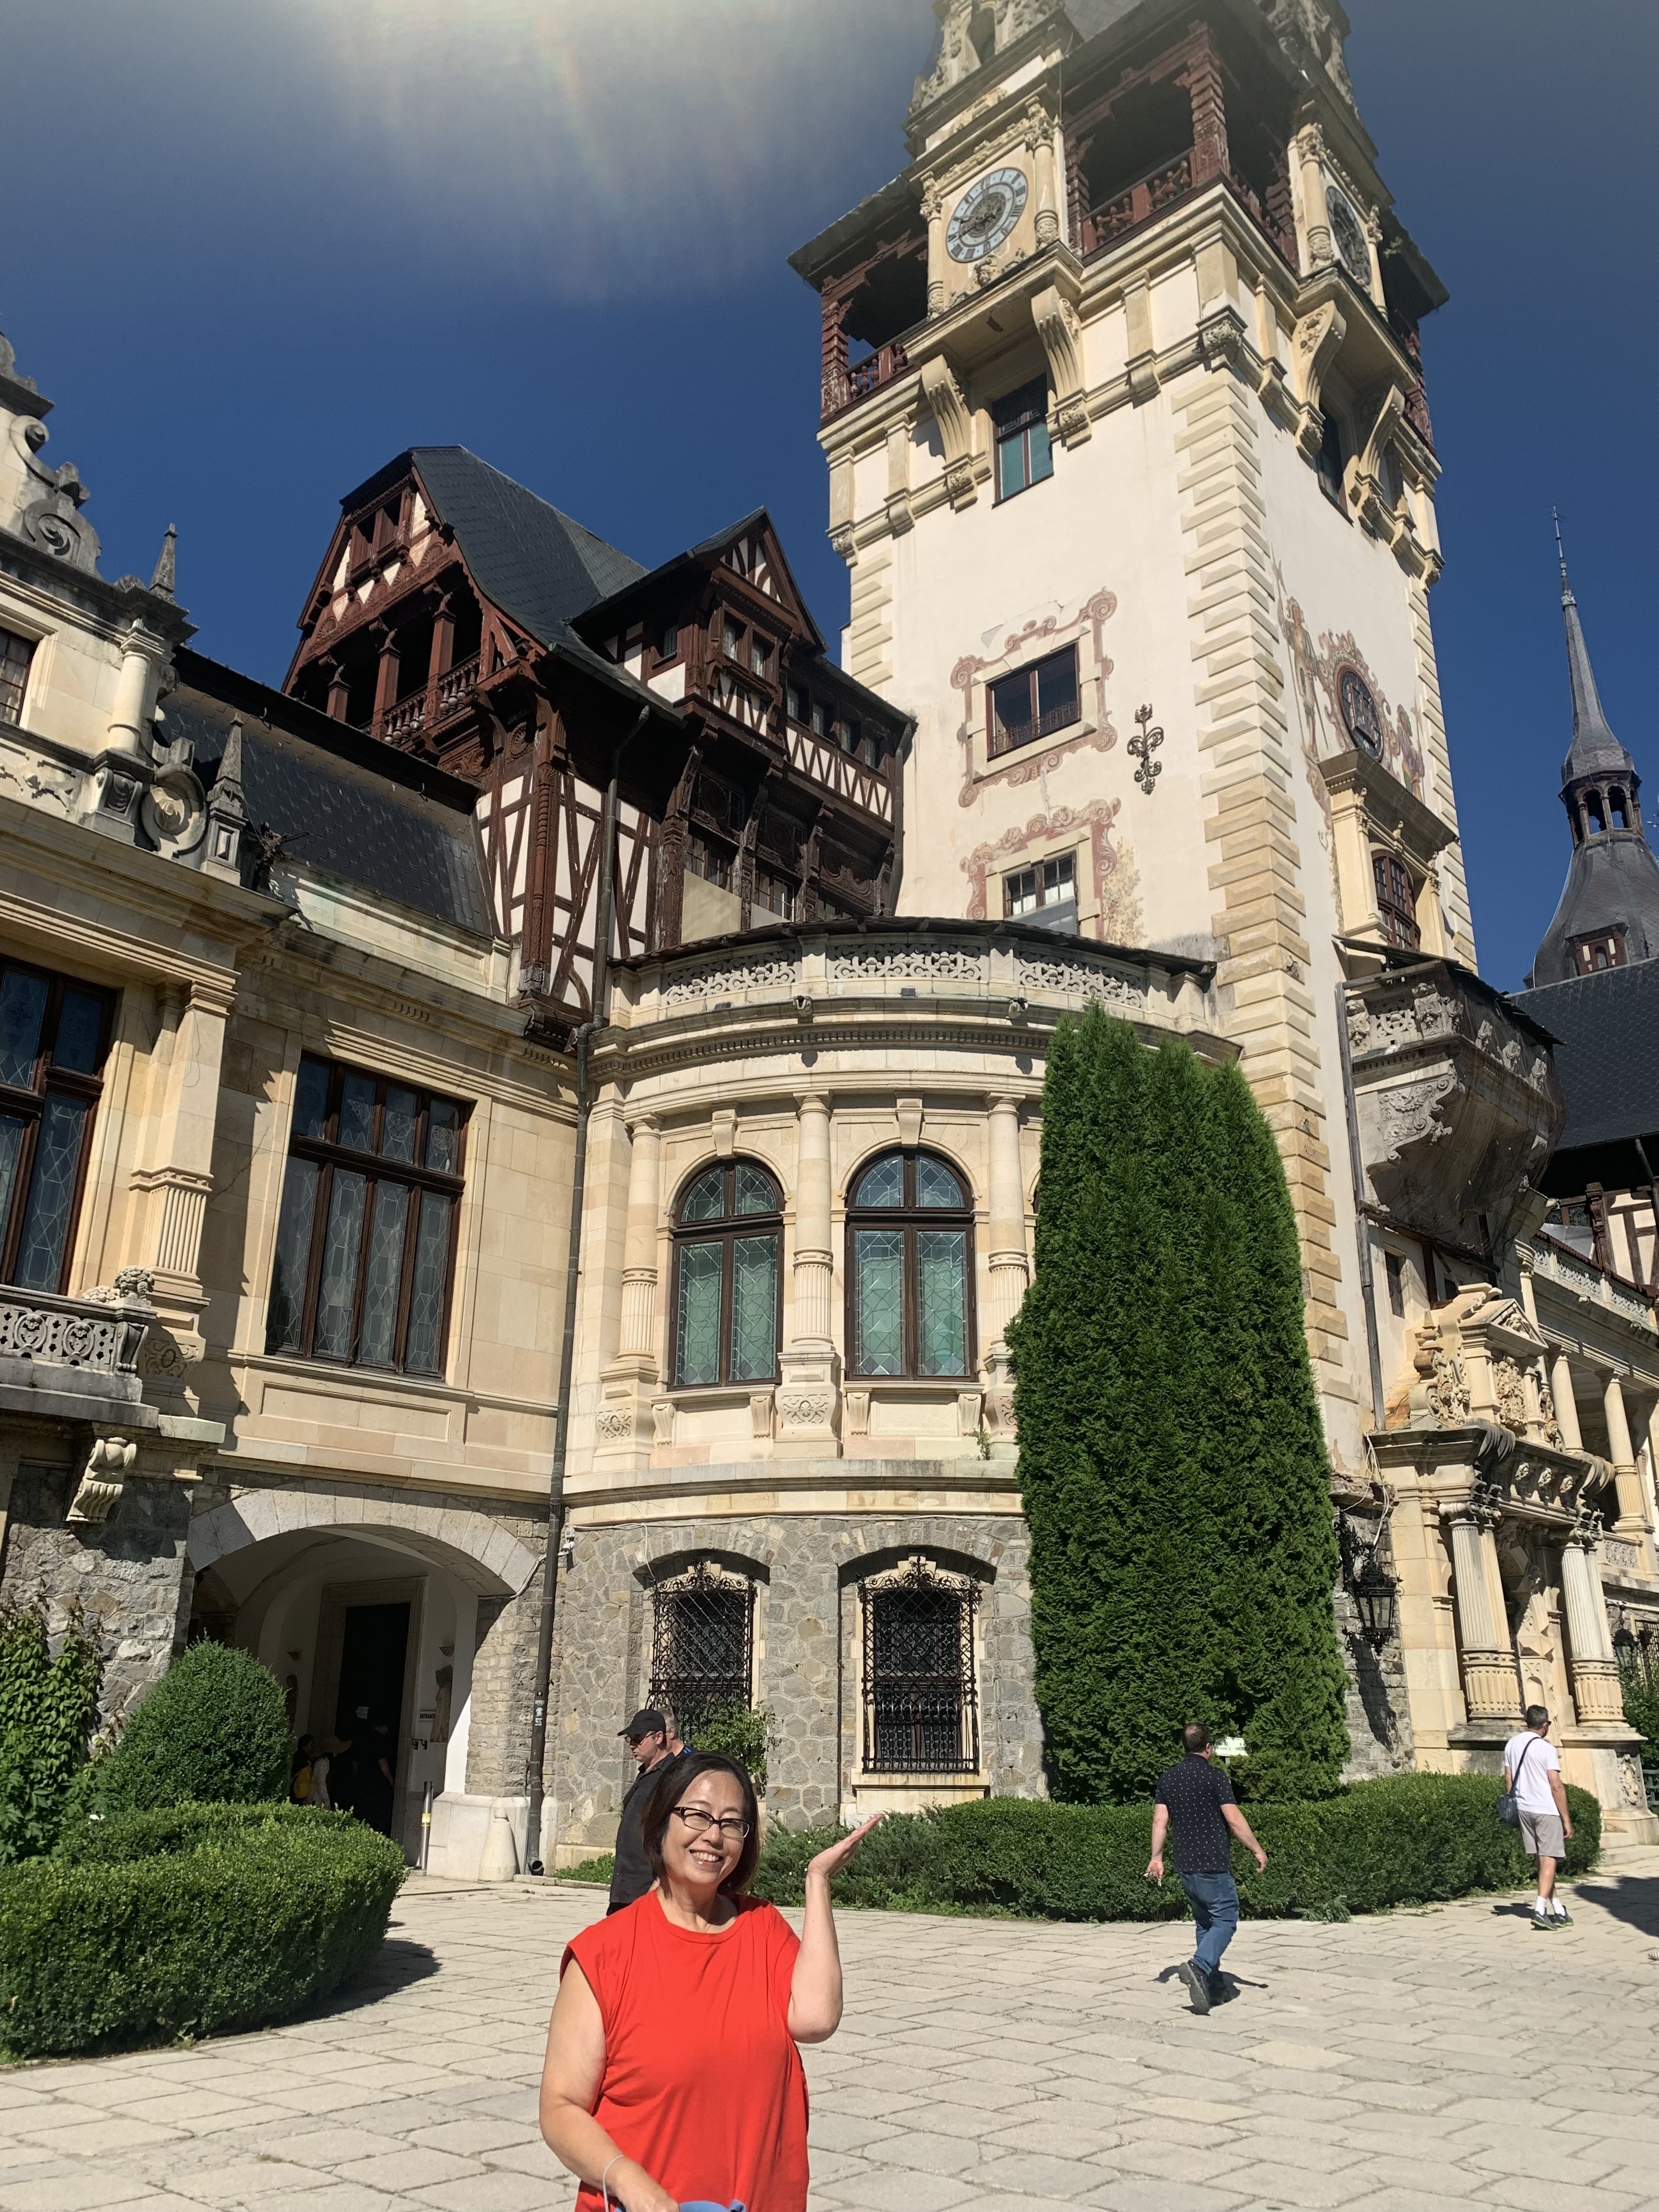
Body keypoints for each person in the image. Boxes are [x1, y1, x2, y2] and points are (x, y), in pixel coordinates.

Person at [540, 1751, 879, 2212]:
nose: (713, 1836)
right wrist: (627, 2179)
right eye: (697, 1815)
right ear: (662, 1822)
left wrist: (817, 1880)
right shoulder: (604, 1954)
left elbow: (816, 2020)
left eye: (732, 1823)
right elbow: (560, 2109)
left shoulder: (763, 1927)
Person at [1146, 1722, 1268, 2016]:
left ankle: (1211, 1986)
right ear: (1209, 1748)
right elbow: (1235, 1820)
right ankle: (1199, 1966)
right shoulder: (1216, 1777)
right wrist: (1257, 1849)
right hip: (1213, 1865)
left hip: (1186, 1866)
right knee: (1226, 1920)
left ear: (1185, 1747)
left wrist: (1156, 1857)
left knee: (1204, 1924)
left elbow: (1159, 1822)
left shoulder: (1169, 1778)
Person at [607, 1708, 689, 1914]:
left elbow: (674, 1834)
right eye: (630, 1740)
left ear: (659, 1737)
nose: (632, 1745)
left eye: (638, 1739)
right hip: (625, 1888)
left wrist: (660, 1881)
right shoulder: (645, 1773)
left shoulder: (672, 1776)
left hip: (648, 1890)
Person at [1504, 1704, 1574, 1929]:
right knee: (1549, 1857)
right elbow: (1556, 1785)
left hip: (1524, 1808)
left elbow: (1508, 1779)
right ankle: (1540, 1908)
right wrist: (1566, 1820)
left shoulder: (1512, 1744)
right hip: (1545, 1809)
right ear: (1545, 1725)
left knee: (1542, 1860)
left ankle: (1558, 1907)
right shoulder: (1546, 1749)